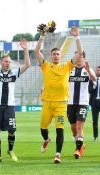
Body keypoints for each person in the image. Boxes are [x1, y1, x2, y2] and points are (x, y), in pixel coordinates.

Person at [34, 26, 82, 163]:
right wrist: (42, 35)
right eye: (54, 54)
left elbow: (79, 52)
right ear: (51, 56)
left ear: (61, 56)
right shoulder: (46, 66)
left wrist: (76, 37)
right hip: (47, 103)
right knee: (43, 128)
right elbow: (37, 51)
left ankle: (57, 155)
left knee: (60, 130)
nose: (55, 56)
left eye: (57, 54)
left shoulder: (67, 66)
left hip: (61, 104)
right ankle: (46, 139)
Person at [0, 39, 31, 163]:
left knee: (12, 130)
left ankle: (11, 150)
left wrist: (25, 49)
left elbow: (27, 65)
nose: (8, 63)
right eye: (5, 61)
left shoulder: (14, 73)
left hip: (9, 107)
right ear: (1, 62)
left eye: (9, 62)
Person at [67, 50, 96, 159]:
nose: (79, 58)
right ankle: (80, 144)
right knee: (73, 128)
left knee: (79, 126)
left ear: (84, 58)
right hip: (70, 103)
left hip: (82, 103)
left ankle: (78, 150)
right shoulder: (69, 70)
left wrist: (88, 71)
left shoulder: (87, 70)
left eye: (81, 56)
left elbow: (94, 80)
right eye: (77, 56)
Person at [88, 66, 100, 141]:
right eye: (97, 70)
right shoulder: (92, 80)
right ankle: (95, 137)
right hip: (94, 102)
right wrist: (94, 86)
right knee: (94, 120)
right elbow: (89, 90)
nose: (98, 71)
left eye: (99, 70)